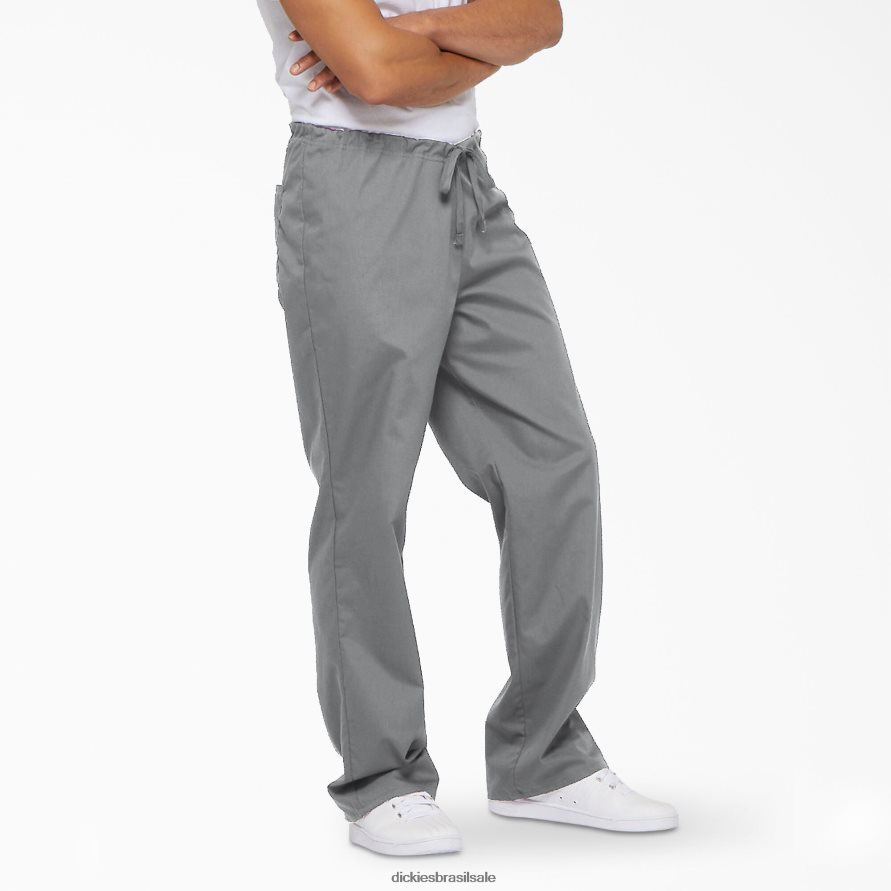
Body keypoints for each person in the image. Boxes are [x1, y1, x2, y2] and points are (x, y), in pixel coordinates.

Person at [257, 0, 678, 856]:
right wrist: (464, 43)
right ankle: (382, 778)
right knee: (365, 492)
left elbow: (538, 23)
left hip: (467, 186)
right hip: (354, 186)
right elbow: (374, 78)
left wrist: (412, 35)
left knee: (553, 459)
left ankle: (542, 756)